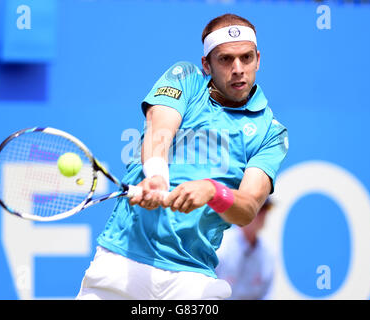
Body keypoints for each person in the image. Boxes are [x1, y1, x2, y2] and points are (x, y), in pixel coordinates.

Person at [76, 13, 288, 300]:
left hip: (192, 278)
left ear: (258, 59)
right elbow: (158, 131)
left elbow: (248, 207)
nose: (238, 69)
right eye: (225, 59)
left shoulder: (270, 133)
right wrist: (156, 178)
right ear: (206, 64)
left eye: (246, 58)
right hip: (122, 261)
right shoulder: (186, 78)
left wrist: (213, 191)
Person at [216, 198, 275, 300]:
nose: (264, 214)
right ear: (244, 212)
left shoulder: (269, 253)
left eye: (267, 208)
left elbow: (267, 295)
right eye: (259, 209)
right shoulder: (221, 245)